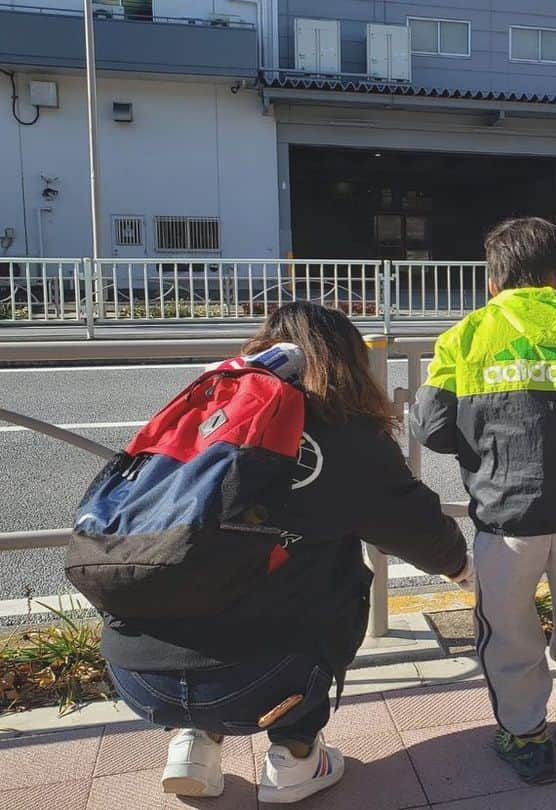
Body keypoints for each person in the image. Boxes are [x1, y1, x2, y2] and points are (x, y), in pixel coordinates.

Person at [103, 302, 470, 804]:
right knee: (339, 563)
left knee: (209, 562)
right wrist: (464, 569)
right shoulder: (345, 433)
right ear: (346, 362)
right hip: (265, 682)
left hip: (136, 673)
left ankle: (193, 742)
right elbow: (414, 528)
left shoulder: (206, 412)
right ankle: (296, 757)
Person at [411, 217, 556, 785]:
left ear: (491, 284)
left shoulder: (466, 336)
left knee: (508, 629)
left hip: (505, 521)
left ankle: (526, 737)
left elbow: (431, 429)